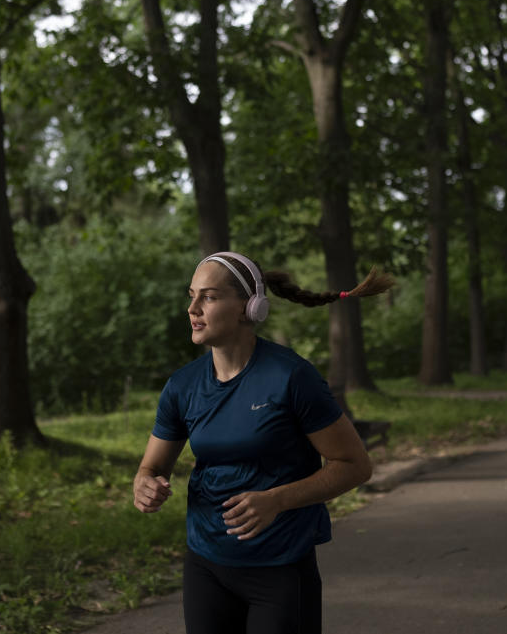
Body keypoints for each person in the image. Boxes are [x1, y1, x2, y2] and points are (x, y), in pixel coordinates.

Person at [132, 251, 394, 634]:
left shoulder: (291, 377)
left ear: (248, 307)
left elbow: (355, 465)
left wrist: (277, 500)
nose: (193, 308)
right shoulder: (182, 386)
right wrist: (144, 484)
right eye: (191, 295)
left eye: (209, 296)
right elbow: (151, 467)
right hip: (206, 565)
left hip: (280, 567)